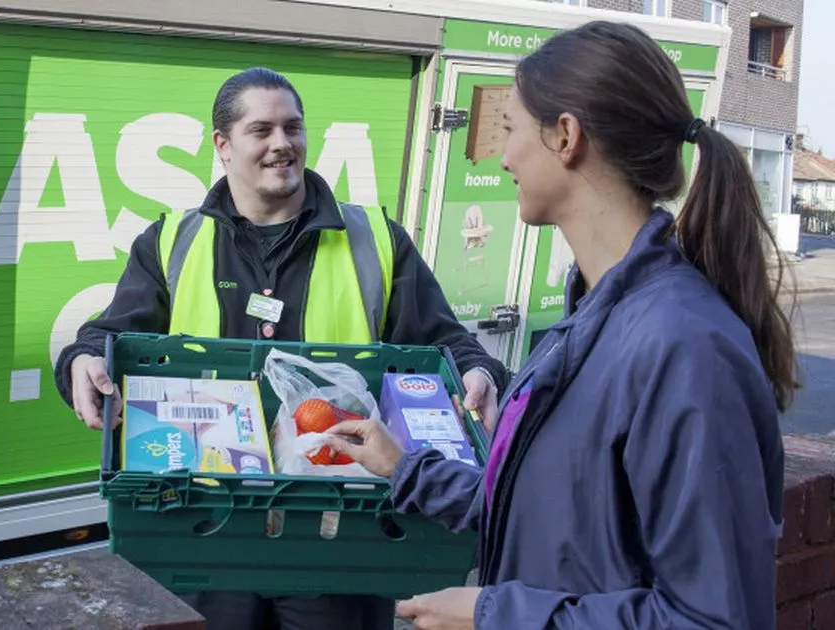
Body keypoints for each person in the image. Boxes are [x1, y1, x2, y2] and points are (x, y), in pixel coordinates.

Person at [324, 21, 798, 630]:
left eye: (510, 130)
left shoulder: (683, 347)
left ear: (566, 136)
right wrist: (404, 468)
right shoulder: (592, 322)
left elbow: (712, 619)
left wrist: (494, 613)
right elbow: (554, 518)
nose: (502, 157)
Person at [53, 67, 508, 630]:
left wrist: (478, 370)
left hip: (340, 541)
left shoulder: (376, 240)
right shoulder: (173, 241)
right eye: (261, 129)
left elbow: (447, 342)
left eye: (293, 127)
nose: (281, 144)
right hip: (209, 535)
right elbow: (108, 336)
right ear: (222, 145)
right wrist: (81, 361)